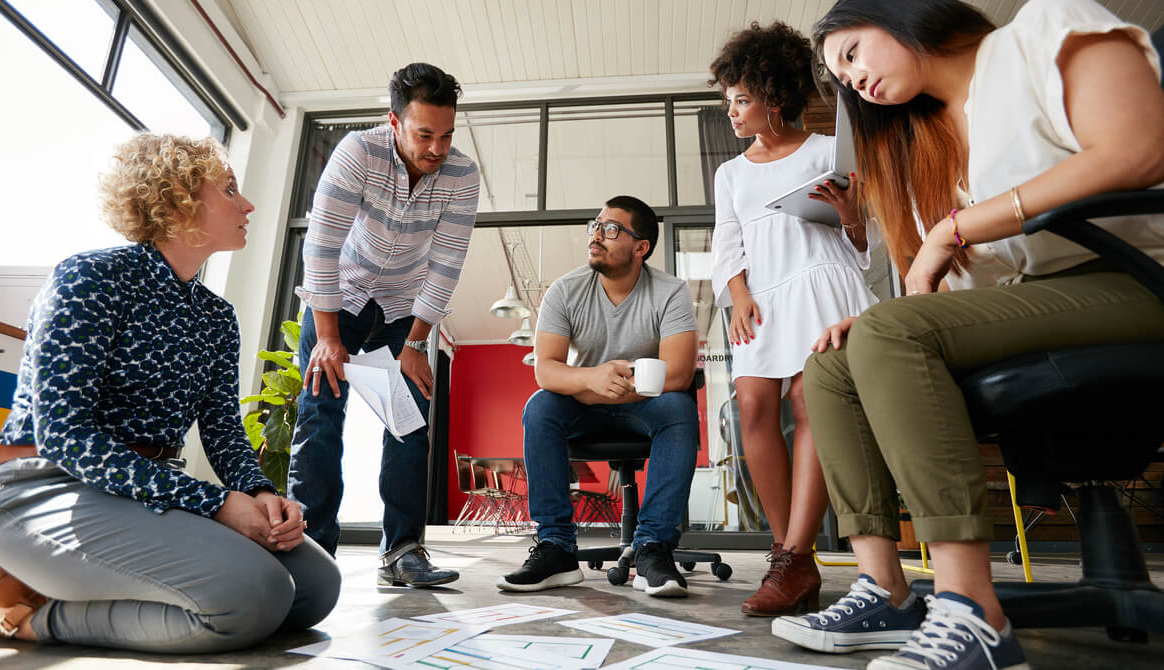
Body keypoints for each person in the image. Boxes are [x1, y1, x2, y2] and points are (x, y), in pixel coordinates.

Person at [769, 1, 1164, 669]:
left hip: (1133, 282)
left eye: (855, 52)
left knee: (889, 332)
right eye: (840, 75)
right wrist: (876, 319)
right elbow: (952, 293)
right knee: (833, 363)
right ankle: (886, 590)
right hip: (1030, 309)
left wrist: (958, 227)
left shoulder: (1042, 30)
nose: (852, 79)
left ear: (900, 14)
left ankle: (969, 609)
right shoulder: (925, 144)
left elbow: (1139, 147)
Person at [0, 134, 341, 652]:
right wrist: (215, 503)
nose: (246, 204)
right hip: (43, 486)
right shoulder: (91, 278)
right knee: (255, 595)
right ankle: (27, 619)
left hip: (145, 491)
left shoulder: (217, 317)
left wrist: (262, 494)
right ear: (177, 200)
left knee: (315, 589)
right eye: (229, 190)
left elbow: (223, 431)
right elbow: (66, 437)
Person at [286, 62, 480, 588]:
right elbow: (322, 246)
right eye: (424, 135)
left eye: (446, 135)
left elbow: (447, 262)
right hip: (339, 298)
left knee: (408, 419)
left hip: (403, 307)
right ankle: (312, 549)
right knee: (321, 416)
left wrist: (416, 342)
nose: (437, 149)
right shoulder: (358, 153)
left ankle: (403, 551)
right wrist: (327, 338)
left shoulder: (462, 175)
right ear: (393, 121)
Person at [708, 21, 878, 617]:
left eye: (742, 99)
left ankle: (792, 555)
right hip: (762, 298)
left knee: (811, 405)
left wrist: (854, 217)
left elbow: (865, 245)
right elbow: (726, 242)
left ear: (775, 97)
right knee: (752, 406)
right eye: (727, 100)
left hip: (824, 284)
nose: (731, 111)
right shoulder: (730, 174)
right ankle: (791, 557)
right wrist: (737, 293)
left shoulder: (828, 151)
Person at [497, 196, 700, 598]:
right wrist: (592, 381)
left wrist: (602, 390)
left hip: (645, 405)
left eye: (611, 230)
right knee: (540, 407)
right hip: (584, 404)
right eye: (596, 226)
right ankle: (556, 548)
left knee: (680, 406)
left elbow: (677, 373)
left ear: (640, 246)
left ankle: (652, 549)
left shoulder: (671, 291)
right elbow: (546, 369)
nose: (596, 236)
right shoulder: (565, 290)